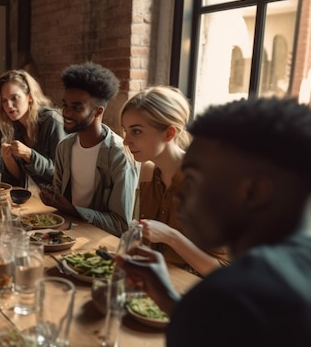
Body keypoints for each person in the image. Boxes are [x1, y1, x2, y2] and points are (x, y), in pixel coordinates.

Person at [115, 97, 311, 347]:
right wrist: (167, 297)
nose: (181, 193)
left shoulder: (222, 298)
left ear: (253, 191)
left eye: (194, 178)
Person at [120, 85, 229, 276]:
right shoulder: (147, 171)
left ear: (169, 133)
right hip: (153, 284)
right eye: (125, 131)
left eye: (136, 131)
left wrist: (171, 236)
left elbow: (224, 271)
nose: (126, 141)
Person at [40, 62, 138, 235]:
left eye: (76, 107)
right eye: (65, 105)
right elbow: (59, 201)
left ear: (97, 111)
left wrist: (73, 209)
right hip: (67, 234)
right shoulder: (64, 147)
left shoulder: (119, 155)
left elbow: (120, 224)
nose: (66, 113)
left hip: (99, 244)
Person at [0, 69, 65, 189]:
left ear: (30, 97)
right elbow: (17, 180)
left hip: (55, 200)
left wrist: (29, 155)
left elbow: (61, 175)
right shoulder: (6, 127)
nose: (9, 105)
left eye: (14, 98)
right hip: (25, 199)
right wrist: (7, 159)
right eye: (4, 100)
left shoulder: (52, 121)